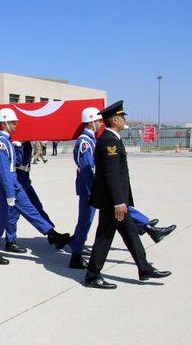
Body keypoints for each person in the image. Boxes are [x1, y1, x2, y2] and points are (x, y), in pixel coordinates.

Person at [69, 107, 177, 269]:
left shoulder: (93, 139)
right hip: (89, 188)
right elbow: (86, 170)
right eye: (98, 121)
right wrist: (94, 191)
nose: (100, 123)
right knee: (87, 221)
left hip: (95, 188)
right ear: (91, 122)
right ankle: (76, 255)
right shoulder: (85, 141)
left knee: (115, 214)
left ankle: (147, 227)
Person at [0, 109, 71, 265]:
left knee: (31, 209)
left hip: (14, 182)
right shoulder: (0, 144)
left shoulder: (8, 142)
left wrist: (18, 148)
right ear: (4, 123)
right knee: (0, 216)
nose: (16, 124)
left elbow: (16, 163)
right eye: (13, 122)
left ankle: (52, 234)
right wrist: (10, 193)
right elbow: (4, 171)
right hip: (5, 185)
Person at [4, 140, 57, 253]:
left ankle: (52, 233)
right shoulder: (16, 144)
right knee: (15, 214)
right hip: (18, 182)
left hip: (25, 181)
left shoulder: (26, 143)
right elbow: (16, 163)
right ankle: (10, 241)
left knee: (37, 206)